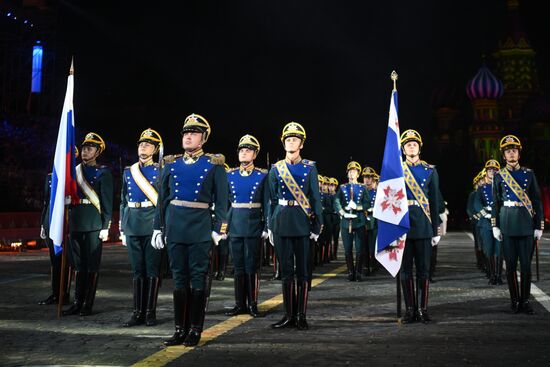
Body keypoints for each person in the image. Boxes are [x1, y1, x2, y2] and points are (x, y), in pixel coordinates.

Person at [152, 113, 228, 346]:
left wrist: (219, 228)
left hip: (199, 227)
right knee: (178, 279)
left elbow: (223, 200)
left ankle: (195, 329)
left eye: (194, 133)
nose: (188, 136)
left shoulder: (214, 164)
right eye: (186, 132)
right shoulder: (171, 163)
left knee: (197, 278)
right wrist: (157, 228)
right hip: (175, 226)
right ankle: (179, 329)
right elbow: (162, 199)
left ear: (203, 138)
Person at [268, 122, 323, 330]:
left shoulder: (310, 167)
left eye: (295, 139)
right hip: (282, 222)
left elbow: (315, 198)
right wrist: (271, 226)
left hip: (302, 223)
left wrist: (317, 224)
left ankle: (301, 315)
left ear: (301, 144)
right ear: (284, 144)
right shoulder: (276, 169)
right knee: (286, 272)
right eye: (288, 139)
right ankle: (288, 315)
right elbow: (272, 200)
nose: (291, 142)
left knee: (303, 271)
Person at [491, 135, 544, 314]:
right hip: (507, 224)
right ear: (503, 156)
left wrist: (538, 226)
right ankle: (515, 301)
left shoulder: (529, 174)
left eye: (514, 150)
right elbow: (496, 203)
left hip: (526, 225)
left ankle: (525, 301)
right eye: (508, 151)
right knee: (511, 266)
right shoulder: (498, 176)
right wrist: (495, 225)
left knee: (526, 267)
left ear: (518, 154)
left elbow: (537, 201)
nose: (511, 153)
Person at [63, 133, 113, 316]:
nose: (85, 151)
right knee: (78, 264)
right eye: (84, 148)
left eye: (90, 148)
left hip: (93, 223)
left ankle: (87, 304)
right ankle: (77, 301)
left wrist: (105, 226)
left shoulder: (103, 173)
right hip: (76, 221)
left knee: (91, 265)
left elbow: (107, 202)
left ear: (98, 152)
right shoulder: (73, 171)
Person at [120, 128, 164, 327]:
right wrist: (122, 227)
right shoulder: (129, 172)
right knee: (138, 271)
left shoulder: (160, 170)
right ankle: (137, 311)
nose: (143, 147)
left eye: (147, 144)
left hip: (151, 223)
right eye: (140, 144)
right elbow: (123, 201)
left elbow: (163, 201)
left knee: (152, 270)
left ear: (155, 149)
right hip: (133, 224)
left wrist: (161, 227)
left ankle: (150, 312)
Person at [224, 134, 269, 318]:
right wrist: (223, 227)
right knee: (238, 266)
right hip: (235, 224)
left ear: (254, 154)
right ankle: (239, 304)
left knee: (252, 266)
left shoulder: (262, 175)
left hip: (252, 224)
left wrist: (267, 226)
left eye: (248, 150)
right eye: (241, 150)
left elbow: (267, 203)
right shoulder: (230, 175)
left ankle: (253, 303)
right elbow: (225, 204)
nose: (244, 153)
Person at [399, 129, 441, 324]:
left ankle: (423, 309)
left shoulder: (430, 170)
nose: (411, 146)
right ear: (403, 148)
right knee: (406, 271)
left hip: (424, 226)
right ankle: (410, 310)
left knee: (423, 271)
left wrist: (436, 229)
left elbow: (434, 201)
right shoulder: (396, 169)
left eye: (414, 143)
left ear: (420, 147)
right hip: (403, 227)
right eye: (408, 144)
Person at [334, 161, 370, 282]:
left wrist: (357, 207)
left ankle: (358, 272)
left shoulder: (362, 188)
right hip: (345, 221)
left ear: (358, 174)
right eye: (350, 171)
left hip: (359, 221)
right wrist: (342, 212)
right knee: (347, 249)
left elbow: (367, 203)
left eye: (354, 171)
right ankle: (350, 271)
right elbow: (336, 201)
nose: (351, 173)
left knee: (360, 249)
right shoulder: (343, 187)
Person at [473, 160, 503, 286]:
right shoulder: (482, 188)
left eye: (494, 170)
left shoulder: (503, 185)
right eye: (490, 170)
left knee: (499, 251)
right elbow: (476, 203)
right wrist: (485, 213)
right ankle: (492, 275)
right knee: (488, 250)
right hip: (486, 222)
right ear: (486, 172)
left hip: (500, 221)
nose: (492, 172)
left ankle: (499, 275)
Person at [362, 166, 378, 275]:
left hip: (373, 221)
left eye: (369, 177)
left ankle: (373, 265)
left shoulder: (377, 192)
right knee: (363, 245)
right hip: (361, 221)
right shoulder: (360, 191)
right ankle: (364, 266)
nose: (367, 180)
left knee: (372, 245)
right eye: (365, 177)